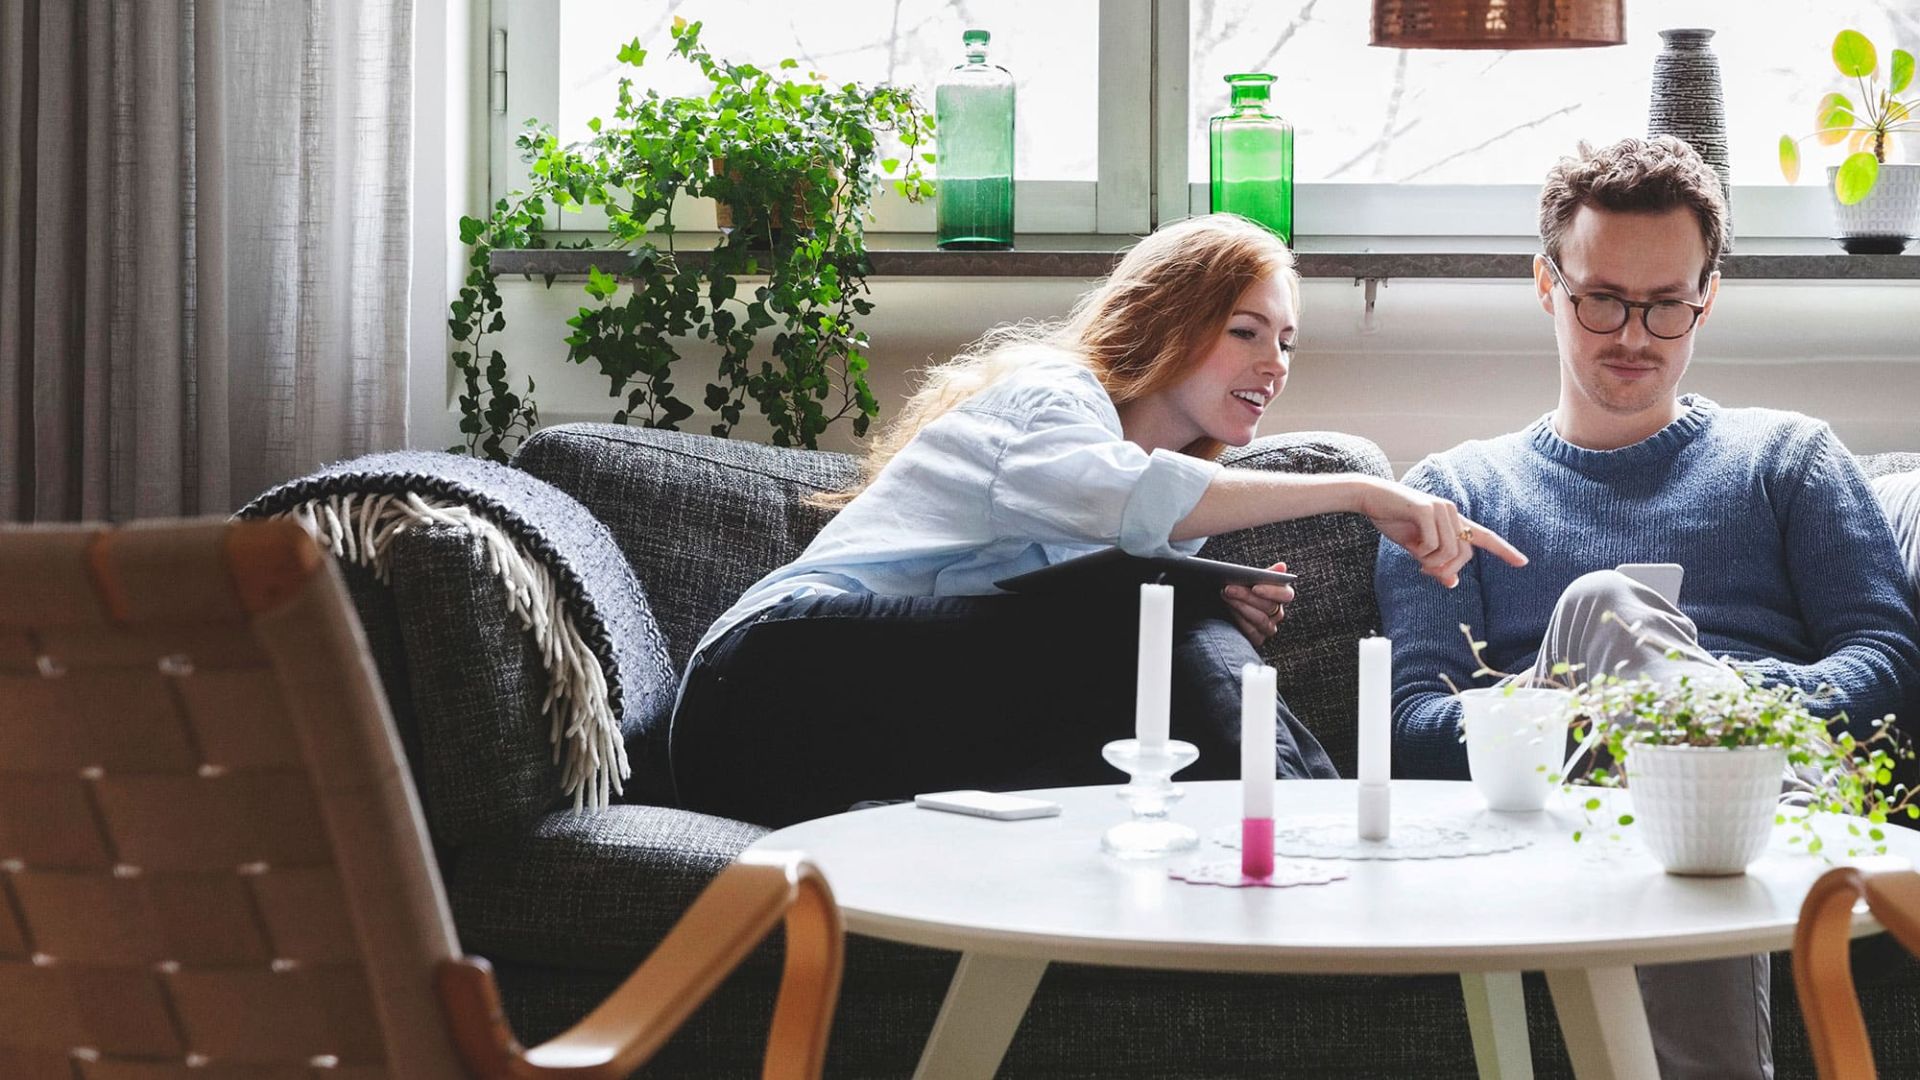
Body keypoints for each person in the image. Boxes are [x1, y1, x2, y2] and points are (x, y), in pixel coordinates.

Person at [670, 213, 1525, 829]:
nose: (1276, 365)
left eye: (1288, 342)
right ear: (1169, 320)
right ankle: (1320, 832)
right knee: (1153, 601)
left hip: (864, 739)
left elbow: (1063, 602)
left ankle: (1291, 835)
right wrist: (1361, 491)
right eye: (1246, 331)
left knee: (1157, 627)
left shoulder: (1169, 517)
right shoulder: (1052, 395)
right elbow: (1126, 498)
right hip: (768, 682)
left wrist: (1194, 596)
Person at [1375, 136, 1920, 1080]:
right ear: (1546, 285)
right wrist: (1595, 702)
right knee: (1604, 606)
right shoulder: (1453, 496)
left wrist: (1711, 709)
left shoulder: (1787, 459)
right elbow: (1407, 726)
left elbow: (1888, 667)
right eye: (1602, 300)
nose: (1634, 335)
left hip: (1786, 814)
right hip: (1555, 817)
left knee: (1620, 625)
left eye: (1668, 304)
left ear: (1708, 296)